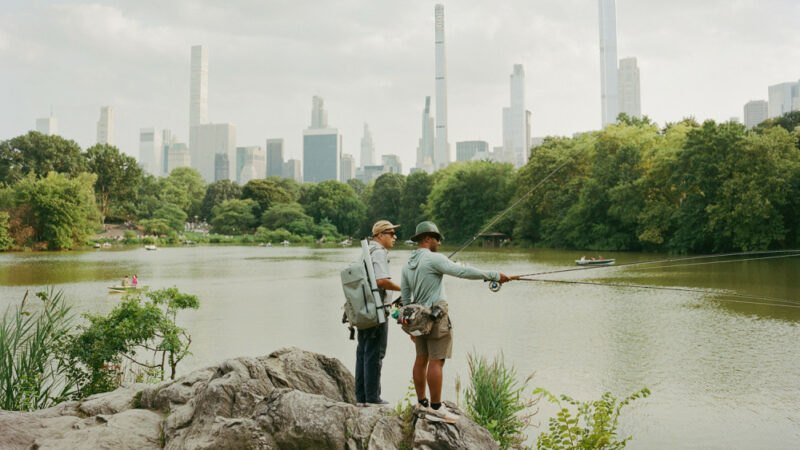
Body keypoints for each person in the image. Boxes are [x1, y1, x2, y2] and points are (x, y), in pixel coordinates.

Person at [401, 221, 512, 423]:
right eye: (437, 238)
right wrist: (494, 275)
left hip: (417, 320)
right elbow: (462, 272)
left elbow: (406, 299)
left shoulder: (407, 264)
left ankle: (421, 403)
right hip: (436, 318)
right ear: (427, 238)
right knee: (436, 361)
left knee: (421, 359)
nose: (439, 243)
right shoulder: (434, 259)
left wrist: (411, 329)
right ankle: (436, 408)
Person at [355, 220, 402, 407]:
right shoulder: (380, 253)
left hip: (363, 311)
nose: (395, 237)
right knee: (375, 354)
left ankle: (361, 398)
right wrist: (404, 289)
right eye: (391, 233)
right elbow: (382, 281)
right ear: (380, 236)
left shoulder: (366, 253)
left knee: (363, 352)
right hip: (377, 311)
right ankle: (373, 398)